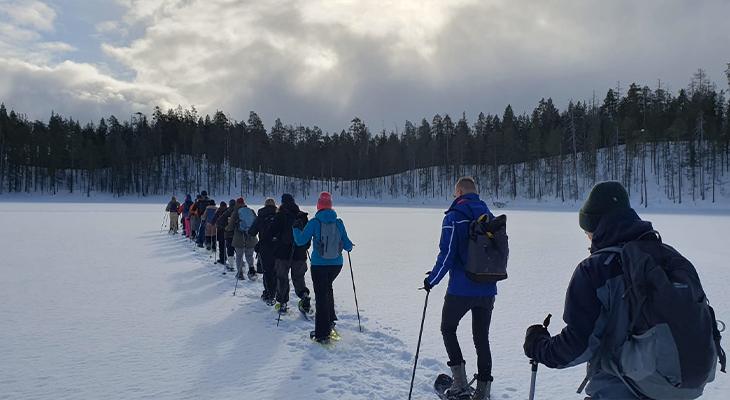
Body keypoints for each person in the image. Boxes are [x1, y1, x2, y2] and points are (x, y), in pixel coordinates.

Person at [522, 181, 673, 399]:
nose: (589, 240)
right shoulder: (669, 258)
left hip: (619, 390)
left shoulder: (596, 269)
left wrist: (539, 347)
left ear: (597, 228)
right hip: (675, 386)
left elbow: (578, 344)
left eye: (587, 233)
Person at [423, 177, 496, 400]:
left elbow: (447, 254)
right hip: (487, 288)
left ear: (459, 191)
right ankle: (483, 391)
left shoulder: (454, 216)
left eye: (455, 194)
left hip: (461, 289)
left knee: (448, 328)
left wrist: (431, 280)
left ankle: (459, 383)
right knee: (481, 338)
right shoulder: (489, 216)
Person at [293, 192, 353, 345]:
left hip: (320, 264)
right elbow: (347, 245)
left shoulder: (314, 222)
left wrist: (295, 229)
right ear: (331, 205)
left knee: (321, 296)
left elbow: (300, 241)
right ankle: (330, 320)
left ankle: (321, 333)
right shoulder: (338, 222)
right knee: (328, 289)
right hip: (336, 264)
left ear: (319, 205)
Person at [262, 193, 311, 313]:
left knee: (282, 278)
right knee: (299, 277)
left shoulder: (279, 216)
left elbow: (270, 233)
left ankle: (282, 303)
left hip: (282, 253)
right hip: (299, 253)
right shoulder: (302, 216)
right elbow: (308, 235)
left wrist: (265, 245)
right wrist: (305, 247)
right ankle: (304, 296)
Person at [248, 197, 279, 305]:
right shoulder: (278, 216)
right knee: (276, 270)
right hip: (278, 246)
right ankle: (275, 292)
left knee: (267, 271)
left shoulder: (261, 216)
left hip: (265, 246)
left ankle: (268, 293)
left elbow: (252, 232)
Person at [226, 198, 258, 280]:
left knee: (239, 256)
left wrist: (227, 229)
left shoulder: (235, 213)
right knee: (249, 255)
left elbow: (231, 225)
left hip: (239, 239)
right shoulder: (250, 211)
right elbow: (256, 222)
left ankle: (240, 274)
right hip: (250, 238)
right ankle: (251, 271)